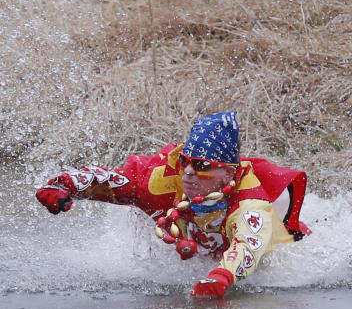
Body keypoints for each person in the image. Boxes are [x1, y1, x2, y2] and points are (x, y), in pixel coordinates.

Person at [35, 111, 310, 298]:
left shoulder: (250, 201)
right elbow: (116, 180)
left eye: (202, 166)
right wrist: (67, 185)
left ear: (228, 173)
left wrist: (223, 276)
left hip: (260, 245)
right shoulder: (164, 178)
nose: (189, 171)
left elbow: (249, 242)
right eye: (185, 161)